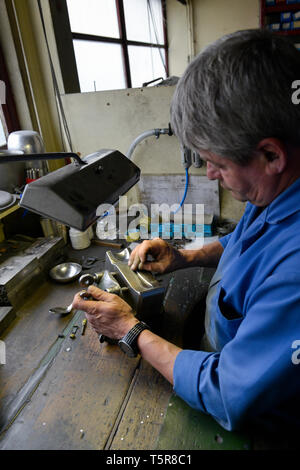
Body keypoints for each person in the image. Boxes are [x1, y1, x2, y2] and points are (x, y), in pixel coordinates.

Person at [72, 29, 300, 433]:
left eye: (219, 163)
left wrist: (130, 330)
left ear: (271, 155)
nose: (210, 174)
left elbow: (227, 392)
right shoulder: (275, 194)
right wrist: (184, 257)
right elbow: (246, 241)